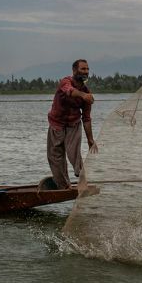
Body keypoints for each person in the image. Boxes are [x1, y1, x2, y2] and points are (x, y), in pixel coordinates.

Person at [44, 59, 99, 189]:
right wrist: (83, 95)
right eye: (83, 69)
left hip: (73, 124)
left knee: (74, 152)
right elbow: (69, 91)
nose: (86, 72)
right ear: (74, 70)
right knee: (55, 156)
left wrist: (90, 139)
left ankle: (82, 180)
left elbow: (86, 118)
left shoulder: (86, 92)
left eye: (87, 69)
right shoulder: (66, 81)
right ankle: (63, 186)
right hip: (57, 124)